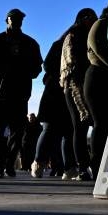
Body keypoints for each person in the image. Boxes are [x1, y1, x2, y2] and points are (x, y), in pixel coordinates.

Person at [0, 8, 43, 179]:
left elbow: (37, 67)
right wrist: (4, 71)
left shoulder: (30, 43)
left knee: (18, 131)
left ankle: (8, 163)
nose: (16, 21)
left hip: (19, 93)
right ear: (6, 20)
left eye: (19, 19)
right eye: (13, 18)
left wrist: (23, 72)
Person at [60, 8, 98, 181]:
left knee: (84, 125)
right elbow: (72, 62)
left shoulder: (85, 35)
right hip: (74, 84)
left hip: (84, 83)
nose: (93, 21)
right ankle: (82, 167)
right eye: (90, 18)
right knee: (79, 126)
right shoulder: (73, 35)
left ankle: (86, 165)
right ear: (82, 19)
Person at [87, 0, 108, 178]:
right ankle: (97, 163)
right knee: (100, 123)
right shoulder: (100, 24)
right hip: (97, 77)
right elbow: (99, 52)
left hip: (107, 77)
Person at [31, 34, 74, 178]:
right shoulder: (62, 43)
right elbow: (47, 65)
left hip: (60, 90)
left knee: (65, 131)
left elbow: (47, 64)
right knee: (52, 129)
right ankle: (40, 163)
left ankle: (66, 167)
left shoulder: (58, 44)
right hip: (58, 91)